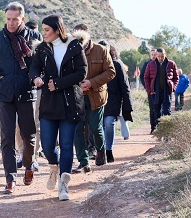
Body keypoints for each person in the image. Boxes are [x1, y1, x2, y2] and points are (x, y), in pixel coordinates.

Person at [0, 2, 42, 194]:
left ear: (22, 19)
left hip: (27, 92)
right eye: (8, 19)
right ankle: (10, 178)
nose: (11, 23)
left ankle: (29, 166)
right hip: (5, 93)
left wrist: (34, 79)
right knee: (7, 137)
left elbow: (41, 64)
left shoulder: (35, 37)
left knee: (29, 134)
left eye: (15, 19)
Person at [29, 15, 87, 201]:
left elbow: (82, 72)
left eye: (47, 30)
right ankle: (54, 167)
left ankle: (64, 184)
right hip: (49, 103)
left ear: (57, 30)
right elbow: (34, 68)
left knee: (67, 145)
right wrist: (36, 78)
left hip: (71, 103)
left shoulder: (74, 46)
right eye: (43, 30)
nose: (44, 33)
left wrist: (59, 83)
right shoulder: (42, 48)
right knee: (47, 146)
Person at [71, 24, 115, 173]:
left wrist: (91, 82)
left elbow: (110, 72)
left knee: (95, 127)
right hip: (76, 96)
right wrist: (77, 85)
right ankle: (83, 161)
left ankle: (101, 150)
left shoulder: (101, 50)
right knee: (78, 130)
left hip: (96, 96)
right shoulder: (70, 51)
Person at [15, 20, 42, 171]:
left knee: (35, 124)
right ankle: (21, 154)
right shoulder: (12, 40)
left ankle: (33, 157)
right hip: (18, 87)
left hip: (36, 88)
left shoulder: (39, 42)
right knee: (18, 125)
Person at [100, 42, 133, 163]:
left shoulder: (117, 65)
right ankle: (100, 151)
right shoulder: (94, 64)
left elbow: (125, 86)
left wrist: (127, 105)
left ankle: (108, 150)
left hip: (113, 100)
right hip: (97, 100)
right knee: (99, 127)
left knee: (109, 123)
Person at [143, 47, 179, 130]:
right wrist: (149, 90)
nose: (160, 58)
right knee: (157, 113)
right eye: (158, 56)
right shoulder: (150, 64)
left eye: (162, 56)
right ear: (156, 55)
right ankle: (159, 130)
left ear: (165, 54)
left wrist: (173, 87)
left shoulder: (171, 64)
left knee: (167, 111)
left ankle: (167, 131)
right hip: (155, 93)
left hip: (167, 92)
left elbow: (176, 77)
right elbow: (146, 78)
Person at [139, 49, 157, 133]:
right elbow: (142, 76)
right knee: (152, 109)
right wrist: (147, 87)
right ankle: (153, 128)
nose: (153, 56)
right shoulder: (146, 64)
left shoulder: (160, 64)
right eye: (152, 54)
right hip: (150, 90)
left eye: (155, 54)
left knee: (160, 109)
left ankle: (160, 127)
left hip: (160, 91)